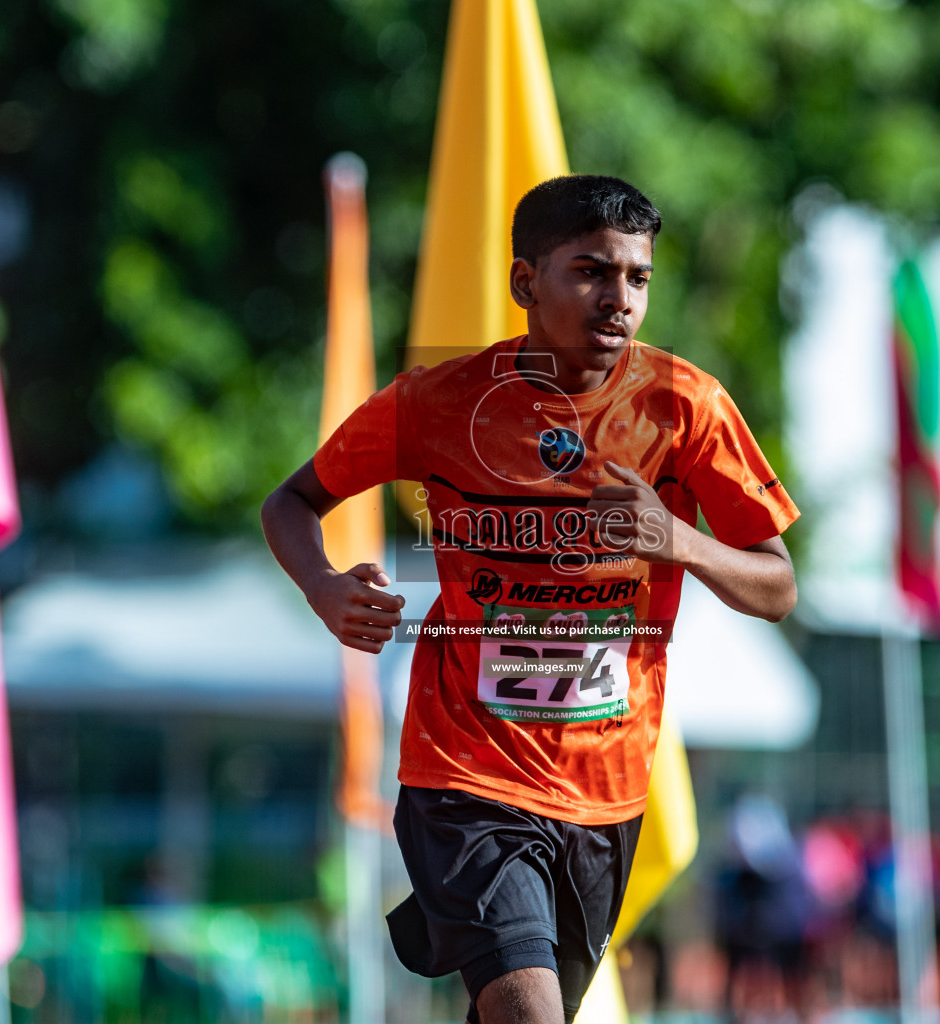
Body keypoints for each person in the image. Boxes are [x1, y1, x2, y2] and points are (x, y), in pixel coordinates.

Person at [261, 174, 800, 1024]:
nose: (618, 298)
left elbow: (777, 587)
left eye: (638, 278)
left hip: (607, 791)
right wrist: (325, 589)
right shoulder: (439, 403)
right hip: (465, 772)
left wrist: (676, 540)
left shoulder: (686, 409)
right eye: (590, 271)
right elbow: (290, 502)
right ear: (524, 283)